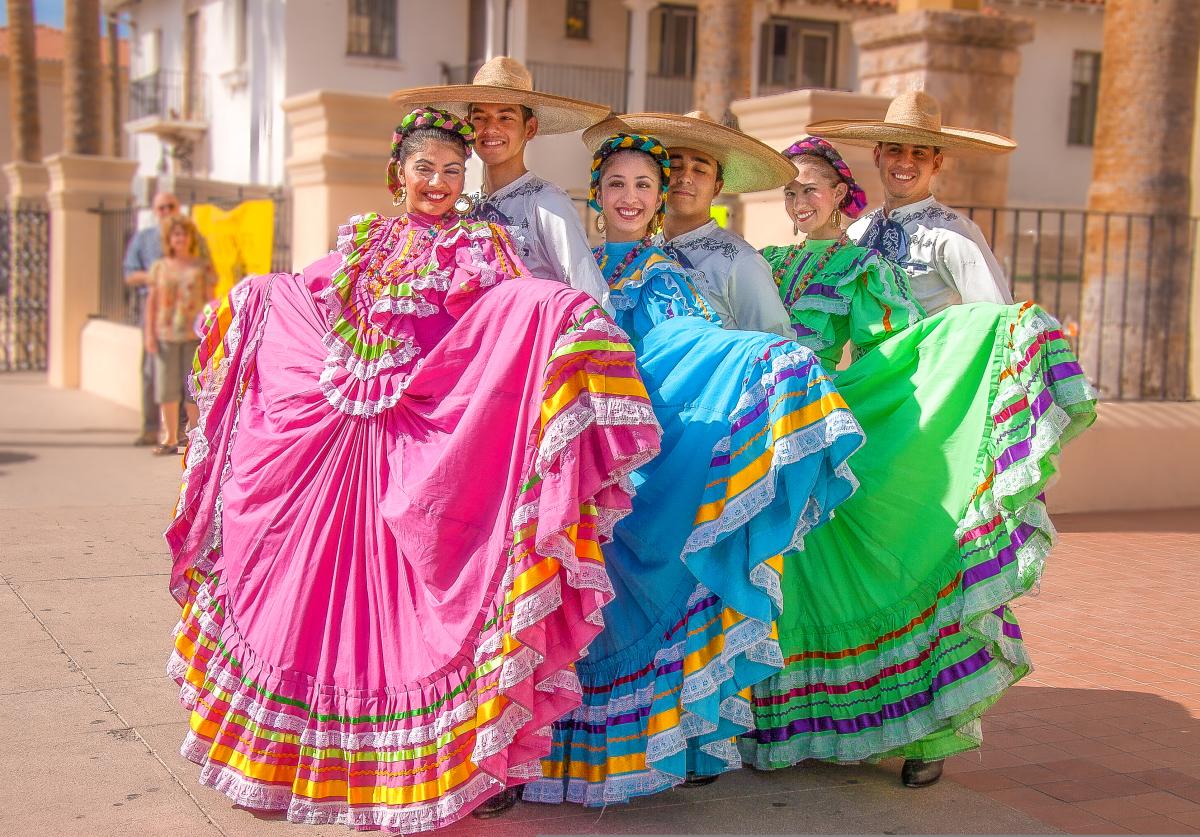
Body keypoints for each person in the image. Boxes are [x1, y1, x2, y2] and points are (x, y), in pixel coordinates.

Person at [164, 107, 662, 832]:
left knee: (422, 609)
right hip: (339, 450)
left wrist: (561, 311)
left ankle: (451, 766)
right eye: (425, 169)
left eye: (452, 172)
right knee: (318, 603)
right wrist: (257, 299)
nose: (437, 182)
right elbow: (311, 295)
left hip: (426, 447)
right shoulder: (366, 240)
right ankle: (325, 758)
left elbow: (507, 309)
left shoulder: (483, 244)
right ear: (399, 175)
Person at [740, 136, 1097, 789]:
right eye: (790, 190)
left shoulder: (923, 243)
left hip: (886, 414)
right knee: (800, 575)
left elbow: (935, 336)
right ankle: (804, 721)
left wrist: (959, 368)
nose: (799, 199)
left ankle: (929, 729)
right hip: (785, 426)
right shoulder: (798, 249)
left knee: (911, 565)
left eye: (810, 187)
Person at [524, 124, 864, 808]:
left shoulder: (669, 278)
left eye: (643, 185)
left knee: (656, 581)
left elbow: (690, 342)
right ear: (596, 195)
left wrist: (767, 361)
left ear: (658, 200)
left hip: (650, 442)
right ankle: (559, 745)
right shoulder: (578, 264)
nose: (630, 196)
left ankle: (669, 744)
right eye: (616, 184)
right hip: (579, 442)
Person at [395, 56, 613, 313]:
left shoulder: (546, 202)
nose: (491, 129)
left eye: (505, 118)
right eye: (480, 118)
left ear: (529, 128)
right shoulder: (465, 206)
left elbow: (589, 294)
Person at [807, 90, 1015, 316]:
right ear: (878, 156)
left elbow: (995, 316)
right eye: (895, 149)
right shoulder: (857, 233)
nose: (905, 162)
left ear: (936, 164)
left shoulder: (953, 234)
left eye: (919, 153)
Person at [606, 110, 795, 338]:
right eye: (675, 167)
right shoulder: (641, 251)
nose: (685, 177)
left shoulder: (740, 261)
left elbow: (776, 345)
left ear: (717, 186)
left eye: (700, 169)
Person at [144, 214, 215, 455]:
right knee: (166, 388)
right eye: (176, 234)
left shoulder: (201, 267)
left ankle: (193, 436)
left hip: (194, 334)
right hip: (166, 334)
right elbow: (152, 303)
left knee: (192, 387)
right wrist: (149, 334)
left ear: (190, 238)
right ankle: (170, 438)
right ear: (169, 239)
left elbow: (210, 300)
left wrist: (211, 332)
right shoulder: (160, 268)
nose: (180, 238)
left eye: (184, 234)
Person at [123, 191, 182, 446]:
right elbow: (130, 274)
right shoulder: (144, 238)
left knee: (183, 370)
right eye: (161, 208)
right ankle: (149, 427)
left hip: (184, 311)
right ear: (154, 211)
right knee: (150, 369)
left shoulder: (187, 237)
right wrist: (157, 277)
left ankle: (179, 429)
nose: (166, 211)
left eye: (171, 206)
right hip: (155, 308)